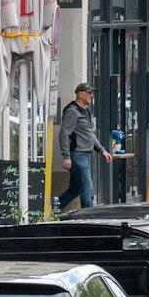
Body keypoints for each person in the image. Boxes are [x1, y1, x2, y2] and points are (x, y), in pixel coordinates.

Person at [57, 83, 113, 212]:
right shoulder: (72, 111)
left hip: (86, 154)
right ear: (80, 94)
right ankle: (87, 216)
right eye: (89, 93)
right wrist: (66, 156)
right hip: (77, 155)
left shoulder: (86, 111)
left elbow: (89, 134)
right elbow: (64, 134)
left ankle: (50, 210)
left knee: (75, 189)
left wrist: (102, 150)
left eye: (92, 93)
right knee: (87, 188)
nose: (91, 95)